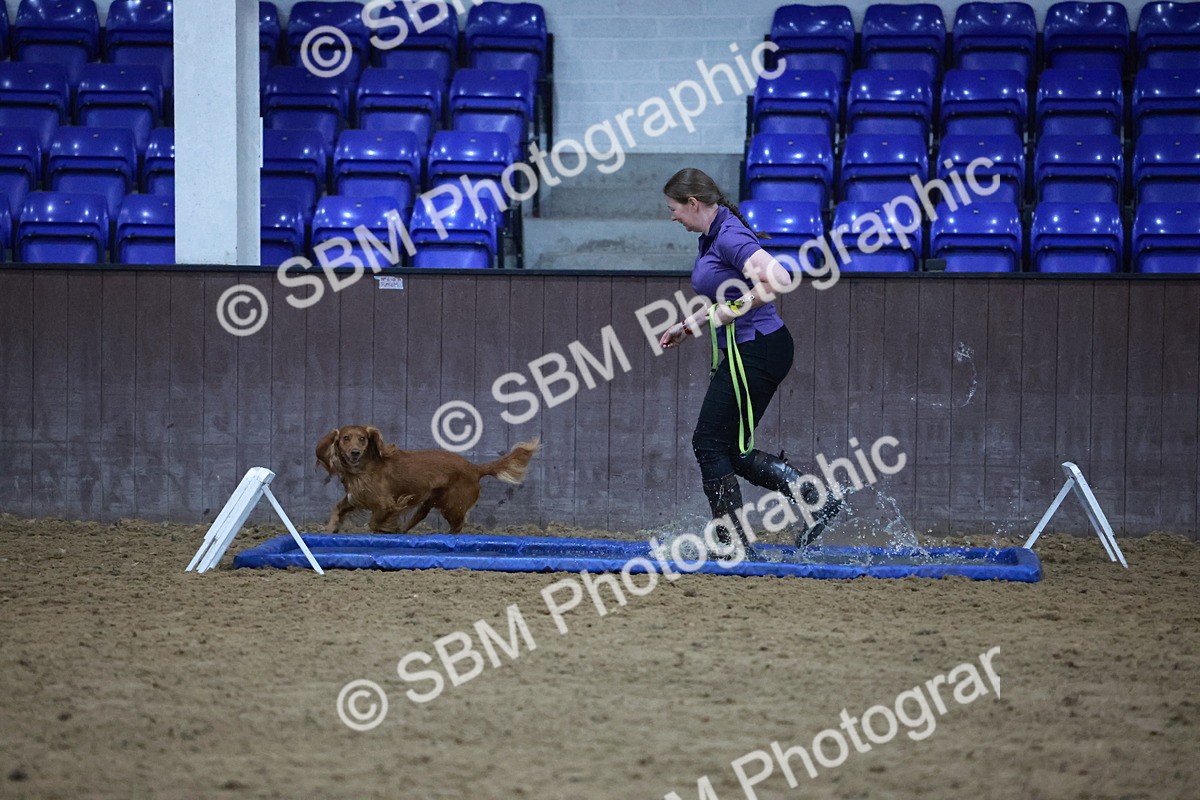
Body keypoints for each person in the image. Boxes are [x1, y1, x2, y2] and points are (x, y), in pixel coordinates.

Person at [658, 168, 842, 554]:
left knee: (709, 443)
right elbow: (724, 299)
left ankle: (732, 544)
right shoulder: (713, 235)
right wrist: (688, 325)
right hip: (753, 348)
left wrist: (730, 310)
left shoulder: (728, 234)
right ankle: (815, 501)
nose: (672, 216)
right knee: (730, 452)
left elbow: (778, 278)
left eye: (674, 209)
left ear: (693, 204)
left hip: (756, 348)